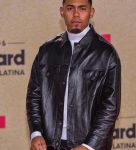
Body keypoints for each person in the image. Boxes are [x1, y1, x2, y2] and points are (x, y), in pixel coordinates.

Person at [26, 0, 121, 150]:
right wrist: (36, 133)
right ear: (62, 11)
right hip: (49, 144)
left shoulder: (106, 54)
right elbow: (34, 96)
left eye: (82, 8)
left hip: (88, 145)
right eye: (70, 8)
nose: (76, 14)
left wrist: (89, 146)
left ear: (91, 12)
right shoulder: (46, 51)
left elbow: (110, 107)